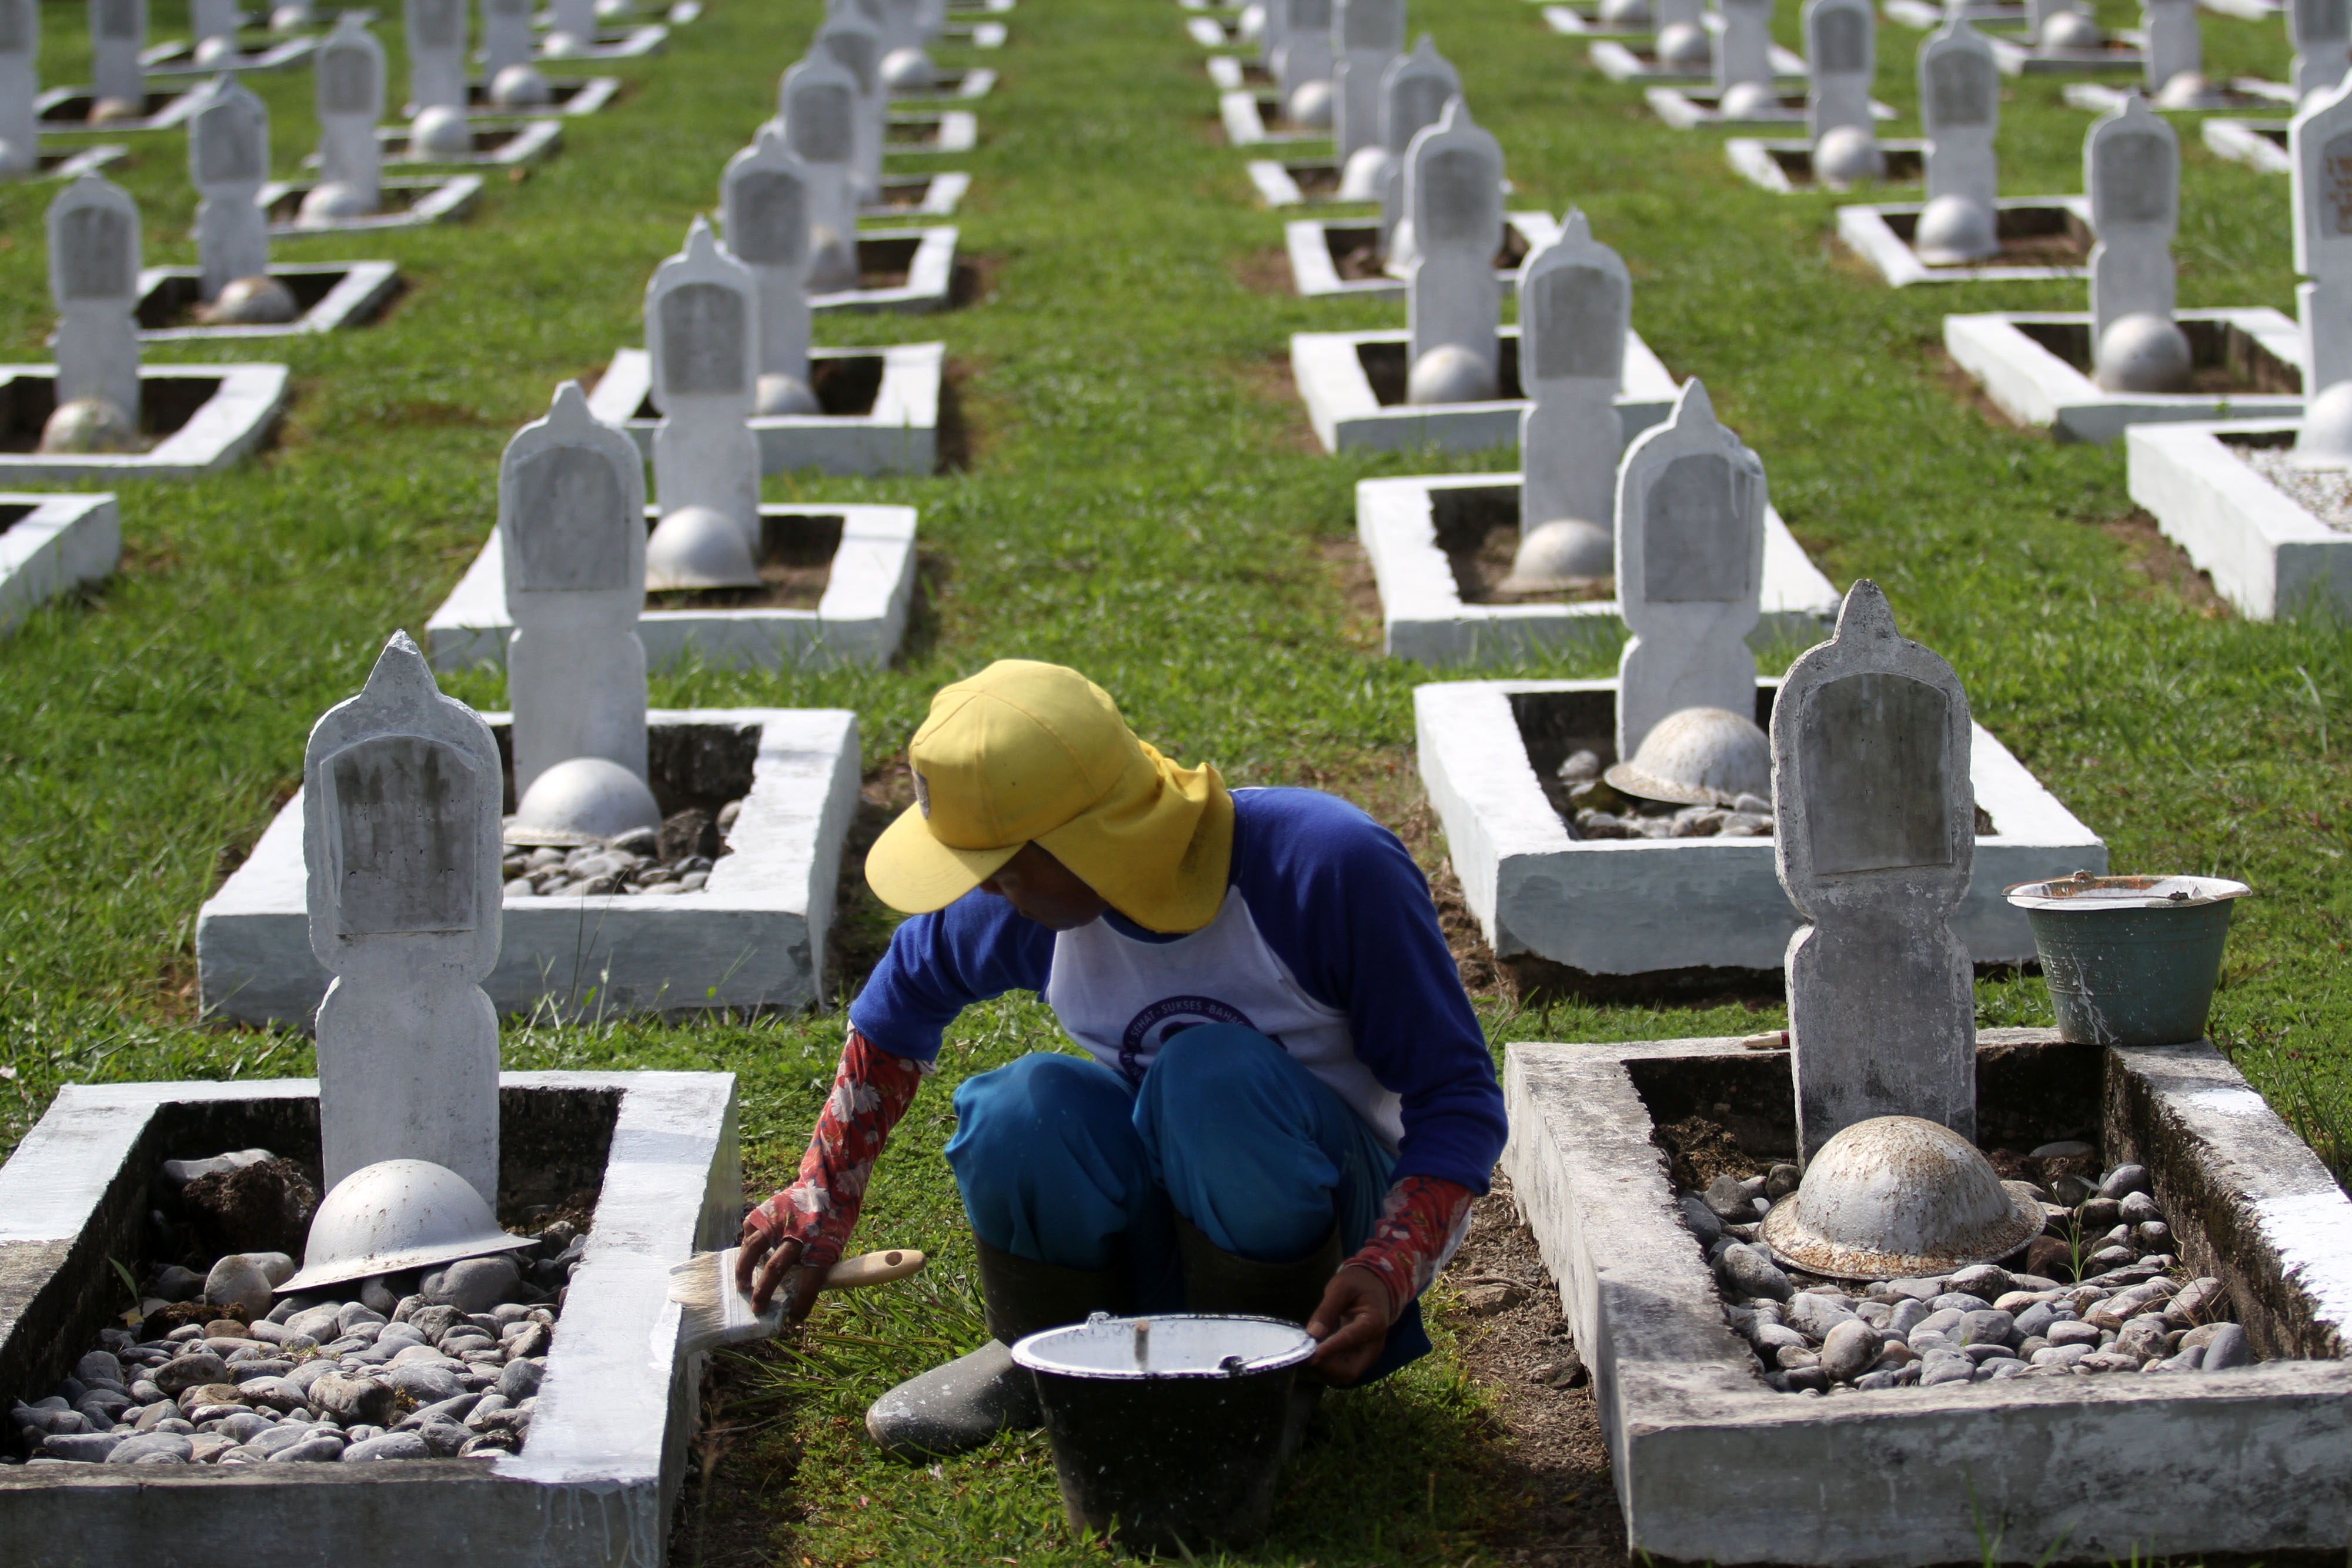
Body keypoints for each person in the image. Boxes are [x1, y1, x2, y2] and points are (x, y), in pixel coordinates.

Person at [735, 659, 1506, 1457]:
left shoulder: (1325, 869)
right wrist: (823, 1192)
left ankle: (1265, 1380)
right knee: (1020, 1107)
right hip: (1178, 1206)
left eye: (998, 866)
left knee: (1210, 1079)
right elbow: (892, 1019)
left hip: (1329, 1232)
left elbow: (1458, 1096)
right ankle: (1048, 1354)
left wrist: (1389, 1266)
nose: (986, 891)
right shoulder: (1024, 904)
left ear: (1088, 839)